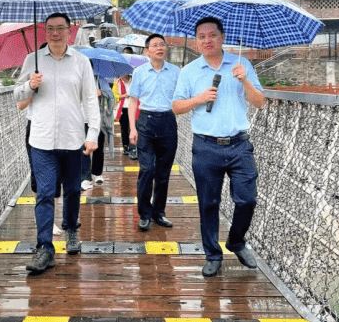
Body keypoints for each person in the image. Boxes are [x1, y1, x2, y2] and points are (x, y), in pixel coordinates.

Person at [171, 16, 265, 277]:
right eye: (201, 36)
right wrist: (199, 98)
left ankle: (236, 241)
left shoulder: (240, 64)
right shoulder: (189, 71)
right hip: (206, 147)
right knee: (208, 203)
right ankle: (212, 254)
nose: (207, 40)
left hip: (239, 146)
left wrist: (245, 80)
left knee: (247, 199)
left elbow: (260, 102)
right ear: (197, 42)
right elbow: (176, 107)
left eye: (212, 35)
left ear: (222, 37)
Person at [14, 13, 99, 274]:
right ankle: (45, 249)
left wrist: (93, 133)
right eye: (50, 28)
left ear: (69, 31)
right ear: (45, 31)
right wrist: (30, 83)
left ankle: (71, 228)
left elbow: (90, 99)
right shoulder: (33, 60)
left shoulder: (82, 62)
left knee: (73, 189)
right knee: (46, 192)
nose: (55, 33)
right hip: (41, 139)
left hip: (73, 139)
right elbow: (16, 96)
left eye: (60, 28)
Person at [128, 33, 180, 232]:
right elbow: (133, 101)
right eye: (155, 45)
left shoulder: (176, 72)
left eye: (162, 44)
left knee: (163, 173)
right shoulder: (140, 72)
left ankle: (159, 212)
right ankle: (144, 213)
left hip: (168, 121)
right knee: (147, 169)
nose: (160, 48)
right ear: (147, 51)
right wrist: (133, 128)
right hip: (146, 122)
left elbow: (184, 95)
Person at [18, 43, 63, 236]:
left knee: (58, 177)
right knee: (40, 178)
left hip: (62, 130)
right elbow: (20, 105)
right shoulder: (33, 73)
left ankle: (53, 218)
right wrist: (32, 86)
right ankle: (45, 221)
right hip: (37, 129)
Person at [81, 70, 114, 189]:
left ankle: (97, 173)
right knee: (83, 148)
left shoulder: (100, 79)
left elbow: (111, 95)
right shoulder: (77, 78)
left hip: (98, 118)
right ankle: (85, 177)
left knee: (99, 146)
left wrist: (101, 92)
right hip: (80, 119)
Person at [113, 73, 138, 159]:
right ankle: (125, 147)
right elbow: (114, 96)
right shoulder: (118, 82)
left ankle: (133, 148)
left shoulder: (134, 81)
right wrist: (125, 95)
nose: (122, 76)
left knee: (133, 128)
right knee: (124, 128)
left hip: (134, 108)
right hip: (123, 108)